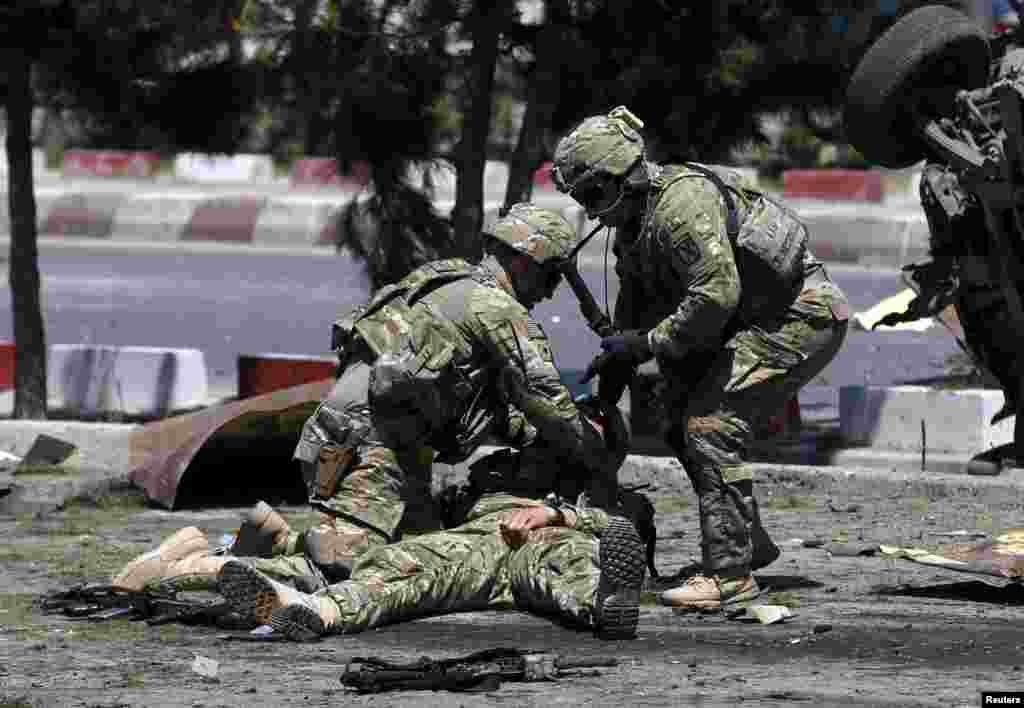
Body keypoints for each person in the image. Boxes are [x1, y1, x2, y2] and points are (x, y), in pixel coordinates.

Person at [550, 106, 850, 610]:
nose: (593, 211)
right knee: (675, 422)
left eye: (595, 195)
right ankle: (747, 543)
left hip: (801, 315)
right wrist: (616, 367)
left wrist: (644, 344)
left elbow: (715, 296)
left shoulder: (682, 207)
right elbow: (637, 300)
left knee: (710, 425)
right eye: (583, 199)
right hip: (750, 322)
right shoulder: (634, 222)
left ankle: (730, 578)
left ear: (625, 176)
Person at [270, 203, 617, 582]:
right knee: (346, 568)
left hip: (343, 437)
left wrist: (529, 436)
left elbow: (489, 407)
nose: (549, 294)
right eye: (551, 278)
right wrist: (596, 456)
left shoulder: (441, 280)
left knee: (419, 556)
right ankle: (206, 568)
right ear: (523, 262)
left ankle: (266, 535)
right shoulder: (496, 309)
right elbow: (548, 401)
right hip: (374, 452)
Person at [216, 396, 650, 641]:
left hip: (550, 539)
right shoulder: (507, 468)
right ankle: (300, 602)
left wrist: (556, 513)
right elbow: (447, 505)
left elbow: (621, 526)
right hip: (479, 541)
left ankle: (607, 603)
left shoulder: (605, 490)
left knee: (565, 564)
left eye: (589, 431)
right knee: (400, 565)